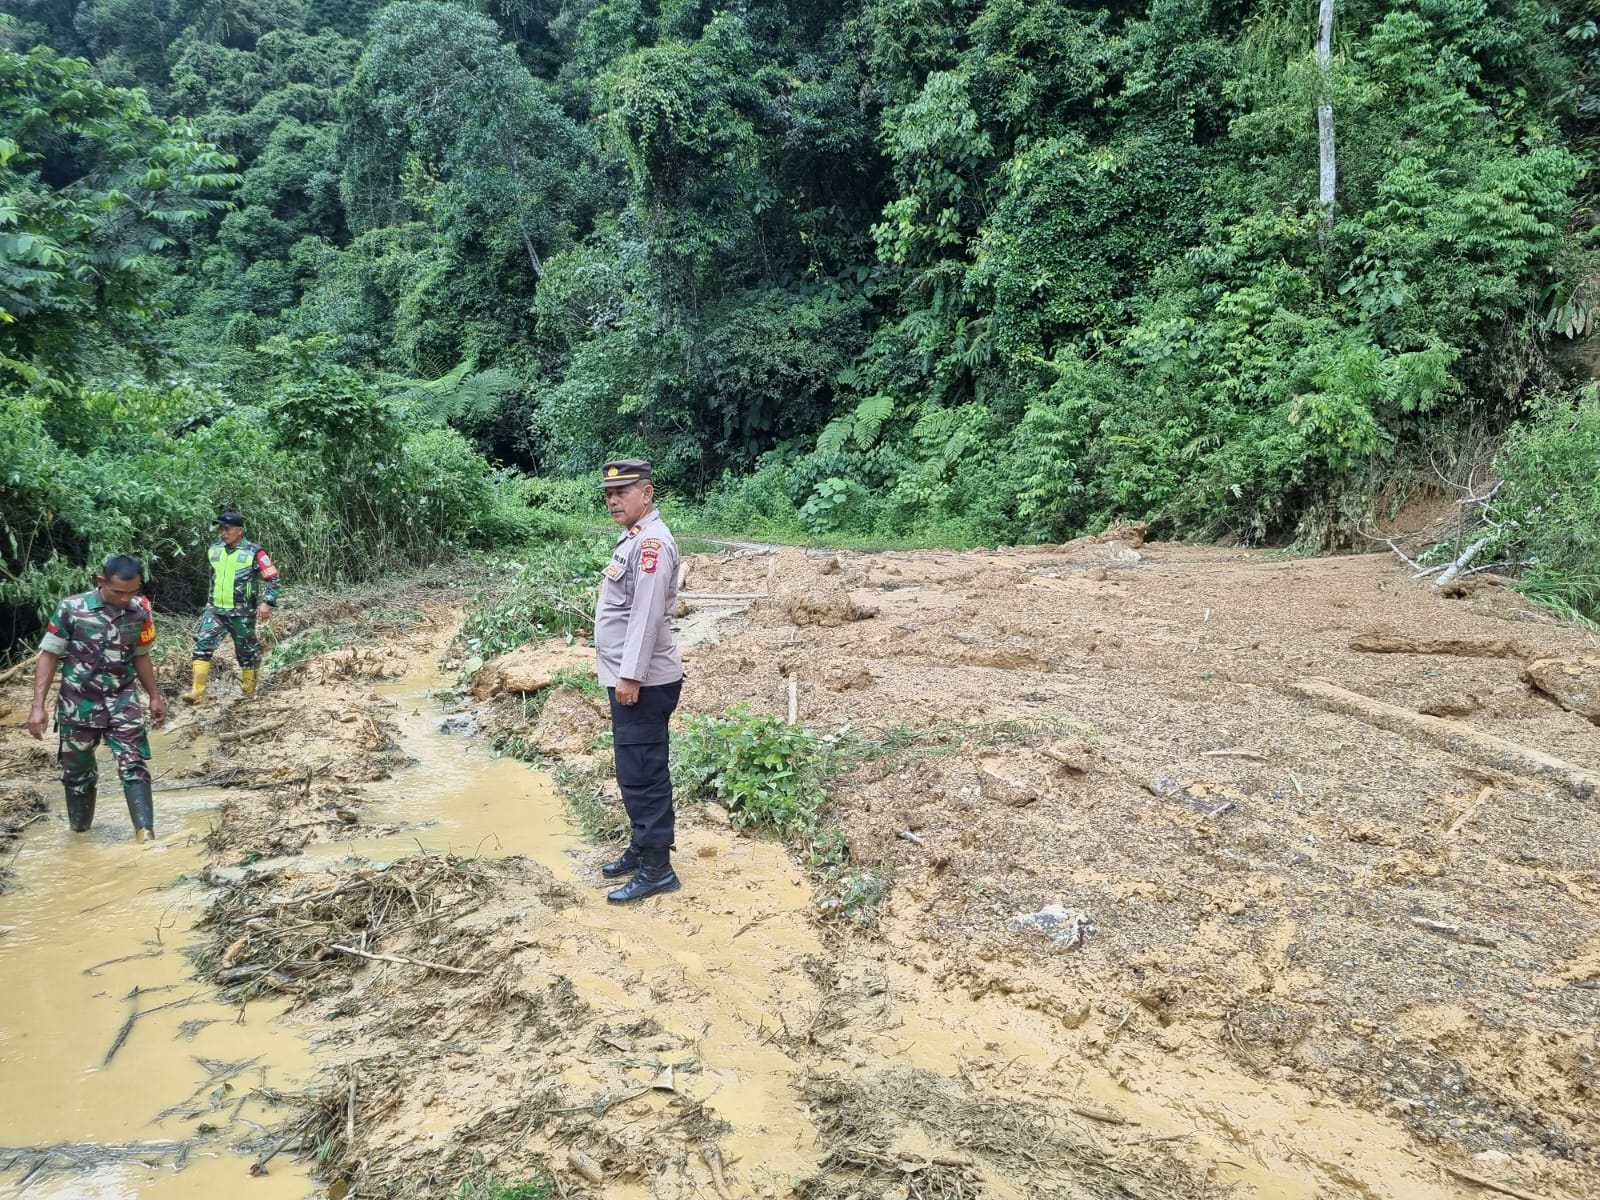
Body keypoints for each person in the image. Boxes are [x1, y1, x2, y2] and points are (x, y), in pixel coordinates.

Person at [27, 555, 168, 841]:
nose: (125, 598)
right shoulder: (72, 609)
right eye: (119, 592)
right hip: (77, 704)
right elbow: (50, 654)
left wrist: (155, 696)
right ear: (101, 582)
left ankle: (146, 835)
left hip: (122, 701)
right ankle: (80, 835)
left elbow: (141, 656)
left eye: (132, 592)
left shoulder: (140, 611)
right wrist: (37, 706)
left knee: (134, 765)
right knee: (77, 775)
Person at [594, 458, 684, 903]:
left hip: (642, 683)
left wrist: (629, 675)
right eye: (609, 494)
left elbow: (646, 616)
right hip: (633, 679)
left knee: (643, 772)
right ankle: (642, 846)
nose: (613, 499)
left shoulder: (651, 544)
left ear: (646, 495)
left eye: (622, 492)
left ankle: (657, 869)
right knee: (634, 769)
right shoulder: (634, 538)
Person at [181, 511, 280, 703]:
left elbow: (273, 579)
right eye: (221, 529)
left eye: (227, 529)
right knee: (202, 645)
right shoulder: (214, 550)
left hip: (242, 612)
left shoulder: (254, 552)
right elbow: (213, 579)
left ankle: (248, 693)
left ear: (240, 531)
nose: (223, 533)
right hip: (215, 610)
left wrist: (267, 602)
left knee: (247, 653)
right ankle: (197, 691)